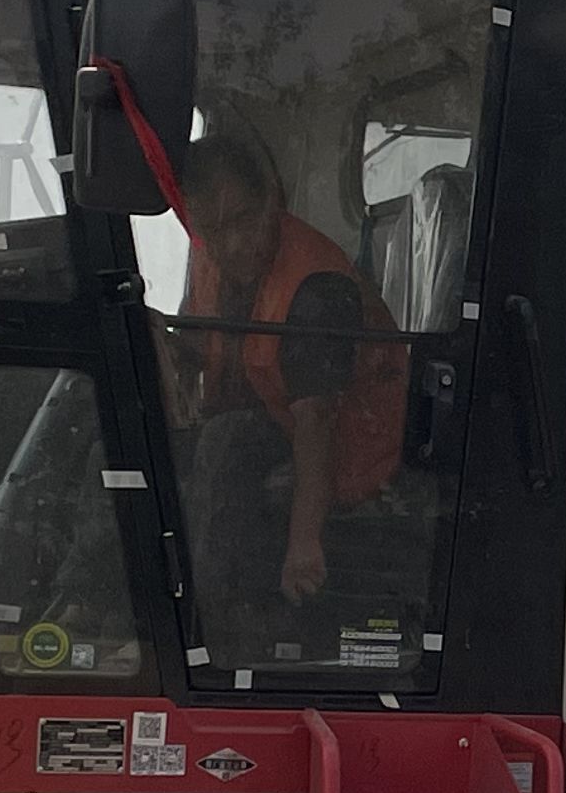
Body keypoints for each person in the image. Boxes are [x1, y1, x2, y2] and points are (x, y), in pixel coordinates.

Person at [166, 130, 404, 634]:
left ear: (271, 198)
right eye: (214, 230)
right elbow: (200, 344)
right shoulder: (211, 259)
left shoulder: (316, 287)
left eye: (244, 220)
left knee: (226, 442)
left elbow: (317, 420)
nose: (234, 244)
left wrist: (304, 546)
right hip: (272, 418)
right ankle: (94, 604)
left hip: (353, 444)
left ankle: (205, 620)